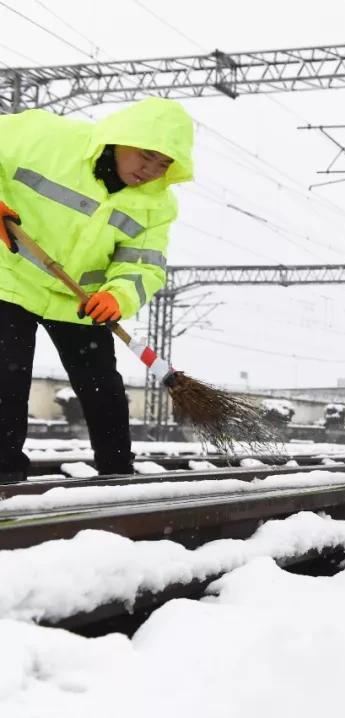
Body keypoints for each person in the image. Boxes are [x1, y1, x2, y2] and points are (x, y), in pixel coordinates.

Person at [0, 97, 195, 483]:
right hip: (10, 276)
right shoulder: (45, 137)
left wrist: (117, 296)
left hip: (79, 300)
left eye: (164, 164)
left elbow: (142, 263)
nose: (151, 170)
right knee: (7, 375)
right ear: (121, 138)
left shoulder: (157, 206)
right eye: (146, 155)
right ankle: (5, 478)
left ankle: (117, 477)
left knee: (102, 386)